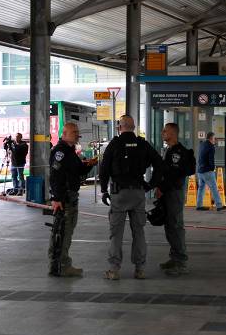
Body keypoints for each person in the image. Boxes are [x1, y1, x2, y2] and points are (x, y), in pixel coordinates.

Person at [99, 115, 163, 281]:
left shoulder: (114, 144)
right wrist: (151, 184)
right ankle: (140, 269)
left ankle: (114, 270)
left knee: (116, 234)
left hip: (119, 194)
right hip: (138, 193)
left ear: (120, 127)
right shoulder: (142, 144)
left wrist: (104, 190)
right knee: (139, 232)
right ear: (134, 127)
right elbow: (159, 163)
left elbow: (104, 168)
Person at [48, 122, 98, 277]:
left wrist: (89, 165)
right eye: (74, 132)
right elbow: (55, 177)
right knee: (64, 231)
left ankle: (59, 264)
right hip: (65, 199)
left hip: (71, 197)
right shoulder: (60, 152)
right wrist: (56, 198)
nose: (78, 134)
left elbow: (77, 170)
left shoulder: (70, 151)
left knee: (65, 231)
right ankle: (61, 265)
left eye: (77, 131)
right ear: (65, 133)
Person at [156, 122, 194, 276]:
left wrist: (162, 188)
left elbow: (173, 176)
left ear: (172, 133)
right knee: (170, 226)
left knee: (176, 226)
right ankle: (174, 257)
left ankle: (181, 262)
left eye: (165, 131)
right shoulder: (169, 150)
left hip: (173, 193)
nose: (162, 133)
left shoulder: (177, 153)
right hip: (168, 193)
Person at [196, 132, 225, 211]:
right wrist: (212, 168)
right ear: (211, 138)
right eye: (214, 138)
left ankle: (199, 205)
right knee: (214, 188)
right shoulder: (211, 147)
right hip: (207, 171)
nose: (215, 140)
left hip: (200, 170)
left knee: (201, 188)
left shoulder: (202, 144)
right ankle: (219, 205)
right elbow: (211, 159)